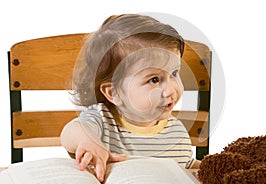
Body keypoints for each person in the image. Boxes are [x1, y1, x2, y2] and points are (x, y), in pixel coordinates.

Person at [60, 14, 201, 182]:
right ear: (114, 93)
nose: (170, 89)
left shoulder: (176, 132)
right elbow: (71, 132)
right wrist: (89, 142)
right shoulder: (102, 121)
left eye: (174, 73)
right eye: (154, 79)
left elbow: (185, 166)